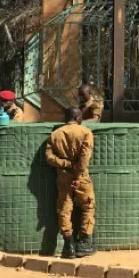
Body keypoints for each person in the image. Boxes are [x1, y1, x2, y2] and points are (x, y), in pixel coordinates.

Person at [45, 107, 97, 259]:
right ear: (77, 117)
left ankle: (69, 246)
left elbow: (49, 158)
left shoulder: (55, 134)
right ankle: (84, 244)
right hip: (81, 177)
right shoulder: (85, 132)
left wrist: (66, 165)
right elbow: (84, 157)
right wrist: (77, 172)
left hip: (63, 176)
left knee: (64, 208)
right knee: (88, 206)